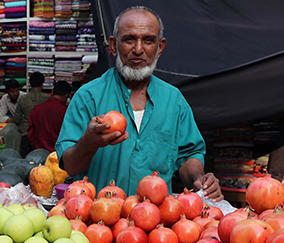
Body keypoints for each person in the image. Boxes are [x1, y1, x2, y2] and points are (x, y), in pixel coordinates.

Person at [56, 6, 223, 201]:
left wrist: (199, 179)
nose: (138, 49)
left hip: (154, 224)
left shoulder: (173, 100)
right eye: (129, 39)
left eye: (148, 40)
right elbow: (71, 166)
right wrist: (89, 143)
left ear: (160, 47)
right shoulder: (88, 97)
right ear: (113, 45)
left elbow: (187, 155)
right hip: (97, 220)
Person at [28, 81, 71, 152]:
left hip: (39, 151)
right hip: (59, 153)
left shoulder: (36, 109)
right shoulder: (66, 112)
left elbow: (30, 132)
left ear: (52, 91)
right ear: (66, 95)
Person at [14, 72, 50, 156]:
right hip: (44, 135)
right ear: (42, 83)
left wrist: (23, 128)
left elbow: (16, 119)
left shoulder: (23, 99)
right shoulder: (48, 99)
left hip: (26, 134)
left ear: (30, 83)